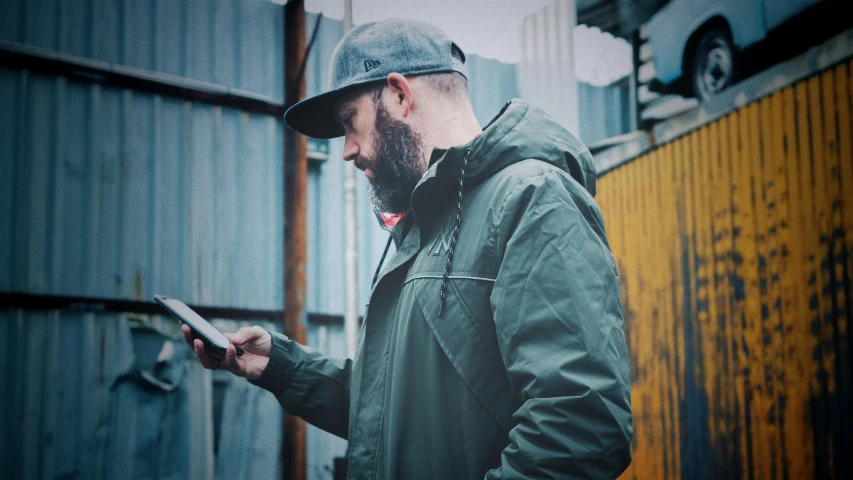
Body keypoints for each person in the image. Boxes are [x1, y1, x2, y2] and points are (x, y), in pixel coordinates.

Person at [183, 17, 633, 479]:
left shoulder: (531, 198)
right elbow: (395, 412)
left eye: (349, 123)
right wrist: (282, 367)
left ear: (399, 94)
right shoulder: (424, 227)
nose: (347, 150)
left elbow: (581, 425)